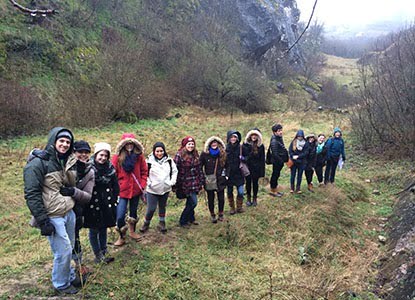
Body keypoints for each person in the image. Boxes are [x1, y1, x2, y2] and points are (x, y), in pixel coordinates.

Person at [24, 127, 81, 295]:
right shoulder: (38, 163)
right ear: (53, 141)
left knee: (69, 248)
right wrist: (43, 220)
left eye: (68, 142)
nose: (64, 144)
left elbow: (71, 184)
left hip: (68, 212)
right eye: (61, 141)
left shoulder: (67, 160)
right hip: (52, 215)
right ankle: (61, 284)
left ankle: (69, 277)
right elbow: (31, 193)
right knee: (62, 251)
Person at [84, 142, 119, 263]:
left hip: (106, 203)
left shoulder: (110, 169)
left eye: (106, 155)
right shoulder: (88, 167)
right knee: (94, 230)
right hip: (93, 204)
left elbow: (115, 185)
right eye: (101, 155)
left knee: (104, 228)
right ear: (96, 154)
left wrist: (115, 198)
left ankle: (104, 251)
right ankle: (97, 254)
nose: (103, 158)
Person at [111, 133, 148, 246]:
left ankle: (132, 232)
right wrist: (117, 186)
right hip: (122, 191)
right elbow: (113, 174)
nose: (129, 145)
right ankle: (121, 236)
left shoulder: (139, 157)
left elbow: (144, 171)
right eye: (127, 143)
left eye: (131, 143)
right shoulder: (117, 158)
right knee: (120, 215)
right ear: (123, 145)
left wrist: (142, 185)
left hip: (135, 190)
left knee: (133, 212)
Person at [140, 142, 178, 233]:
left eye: (161, 151)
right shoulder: (148, 161)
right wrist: (149, 183)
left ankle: (162, 222)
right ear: (154, 151)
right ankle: (146, 223)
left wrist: (172, 182)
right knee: (151, 208)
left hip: (165, 188)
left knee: (162, 206)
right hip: (152, 189)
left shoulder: (169, 161)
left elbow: (174, 171)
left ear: (164, 151)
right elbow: (145, 173)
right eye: (157, 151)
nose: (159, 153)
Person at [71, 140, 95, 276]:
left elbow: (87, 196)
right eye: (80, 152)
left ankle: (78, 265)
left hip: (78, 210)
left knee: (76, 238)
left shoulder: (89, 171)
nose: (84, 155)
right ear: (74, 152)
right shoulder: (66, 167)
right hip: (60, 209)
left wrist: (73, 192)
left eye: (86, 152)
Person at [174, 136, 205, 227]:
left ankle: (191, 218)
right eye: (189, 144)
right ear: (184, 145)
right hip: (184, 183)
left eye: (192, 144)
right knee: (193, 202)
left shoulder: (195, 154)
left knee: (190, 201)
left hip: (195, 182)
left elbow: (199, 169)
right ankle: (183, 220)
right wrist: (175, 184)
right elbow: (174, 169)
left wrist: (202, 180)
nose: (191, 146)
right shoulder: (179, 155)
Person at [200, 136, 228, 223]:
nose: (214, 144)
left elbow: (228, 166)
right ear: (209, 144)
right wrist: (203, 177)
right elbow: (200, 166)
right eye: (212, 143)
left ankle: (221, 214)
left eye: (216, 142)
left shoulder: (223, 153)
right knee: (211, 198)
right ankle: (212, 214)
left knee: (221, 198)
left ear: (219, 144)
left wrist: (226, 175)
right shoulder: (205, 154)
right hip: (209, 179)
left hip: (220, 179)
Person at [225, 130, 249, 214]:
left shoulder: (241, 147)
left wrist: (243, 158)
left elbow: (248, 157)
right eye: (231, 137)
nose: (233, 139)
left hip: (239, 173)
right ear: (228, 138)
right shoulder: (225, 148)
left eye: (235, 137)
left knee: (241, 191)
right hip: (229, 174)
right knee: (229, 191)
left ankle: (239, 207)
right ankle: (232, 208)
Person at [243, 128, 265, 206]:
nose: (254, 136)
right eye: (253, 135)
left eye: (256, 135)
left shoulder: (261, 146)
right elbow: (244, 157)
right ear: (250, 135)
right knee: (248, 184)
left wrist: (262, 172)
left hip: (257, 168)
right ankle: (248, 199)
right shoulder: (245, 144)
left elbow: (262, 159)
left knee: (255, 184)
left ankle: (254, 198)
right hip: (248, 168)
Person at [268, 124, 289, 197]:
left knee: (277, 175)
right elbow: (275, 153)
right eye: (279, 131)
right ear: (274, 132)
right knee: (275, 175)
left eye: (281, 130)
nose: (281, 132)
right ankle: (273, 190)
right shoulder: (274, 141)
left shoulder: (279, 138)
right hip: (276, 162)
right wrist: (281, 161)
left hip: (279, 161)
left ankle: (275, 189)